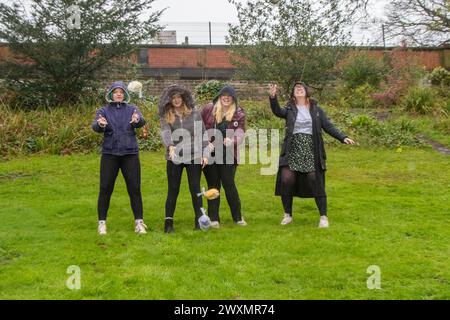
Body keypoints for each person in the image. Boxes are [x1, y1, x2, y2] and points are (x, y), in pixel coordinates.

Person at [268, 81, 355, 228]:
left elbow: (328, 126)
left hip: (311, 148)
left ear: (307, 92)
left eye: (301, 87)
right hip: (292, 148)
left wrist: (342, 137)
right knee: (286, 179)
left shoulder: (316, 110)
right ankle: (287, 215)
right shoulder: (289, 109)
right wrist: (272, 97)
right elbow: (277, 111)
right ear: (293, 95)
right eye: (296, 88)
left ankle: (323, 217)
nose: (299, 89)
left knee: (315, 180)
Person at [92, 81, 147, 235]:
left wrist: (137, 120)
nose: (118, 94)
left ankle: (139, 222)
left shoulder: (132, 109)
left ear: (125, 95)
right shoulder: (103, 110)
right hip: (110, 154)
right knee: (105, 188)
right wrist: (101, 124)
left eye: (121, 92)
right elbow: (95, 126)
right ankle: (102, 223)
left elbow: (141, 121)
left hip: (130, 154)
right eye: (115, 92)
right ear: (110, 94)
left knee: (134, 188)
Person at [159, 84, 209, 233]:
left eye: (178, 97)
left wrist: (205, 154)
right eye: (173, 98)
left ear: (184, 98)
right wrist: (170, 146)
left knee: (195, 189)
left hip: (194, 155)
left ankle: (199, 221)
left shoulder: (194, 113)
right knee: (173, 189)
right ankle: (168, 223)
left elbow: (203, 134)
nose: (176, 100)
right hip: (175, 157)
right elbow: (166, 131)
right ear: (169, 100)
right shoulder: (166, 115)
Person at [201, 86, 247, 228]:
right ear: (219, 97)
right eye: (224, 96)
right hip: (210, 153)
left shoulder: (238, 114)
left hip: (228, 154)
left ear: (233, 98)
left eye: (229, 96)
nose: (226, 98)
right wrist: (205, 142)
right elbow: (199, 127)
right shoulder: (209, 109)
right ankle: (214, 218)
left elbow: (240, 133)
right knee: (213, 185)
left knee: (229, 184)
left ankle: (238, 217)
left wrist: (231, 141)